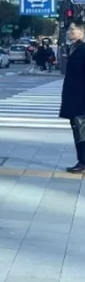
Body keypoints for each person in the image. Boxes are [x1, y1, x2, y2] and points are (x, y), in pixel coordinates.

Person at [60, 21, 85, 173]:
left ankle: (83, 162)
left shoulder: (82, 51)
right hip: (75, 98)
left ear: (82, 32)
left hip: (80, 100)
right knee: (78, 130)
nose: (70, 32)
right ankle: (81, 161)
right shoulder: (76, 49)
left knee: (81, 131)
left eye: (73, 30)